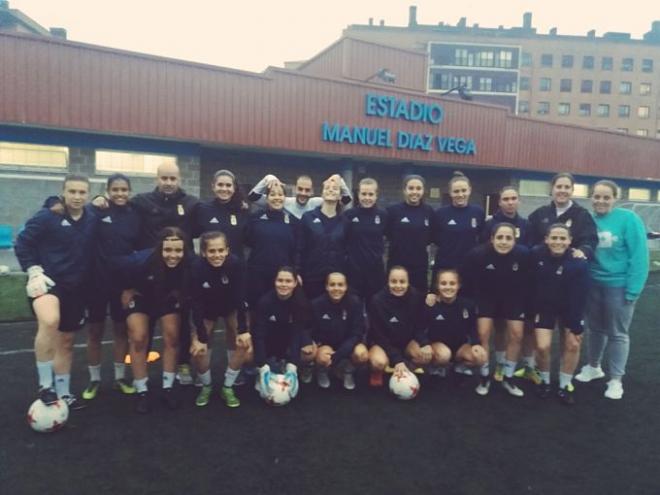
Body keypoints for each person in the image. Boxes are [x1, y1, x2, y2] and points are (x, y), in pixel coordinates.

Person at [93, 162, 200, 385]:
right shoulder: (142, 201)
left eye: (173, 178)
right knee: (144, 325)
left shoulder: (191, 203)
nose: (168, 183)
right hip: (146, 273)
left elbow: (212, 214)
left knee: (178, 325)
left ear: (179, 179)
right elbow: (118, 200)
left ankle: (183, 364)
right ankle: (142, 373)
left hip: (179, 274)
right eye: (164, 178)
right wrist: (96, 199)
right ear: (156, 179)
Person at [15, 174, 98, 410]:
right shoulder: (48, 215)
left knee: (67, 341)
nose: (77, 197)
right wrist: (33, 270)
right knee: (50, 320)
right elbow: (23, 242)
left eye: (82, 192)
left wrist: (102, 199)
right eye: (72, 192)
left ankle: (63, 393)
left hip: (76, 287)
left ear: (88, 194)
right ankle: (45, 386)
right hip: (47, 282)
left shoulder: (91, 217)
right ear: (63, 192)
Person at [575, 180, 649, 400]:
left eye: (606, 197)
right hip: (594, 283)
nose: (601, 201)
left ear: (615, 198)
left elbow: (639, 255)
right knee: (595, 329)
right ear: (591, 198)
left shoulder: (629, 219)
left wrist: (633, 289)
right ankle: (594, 366)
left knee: (617, 333)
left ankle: (616, 379)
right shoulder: (588, 220)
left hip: (618, 285)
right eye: (597, 196)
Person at [522, 172, 598, 383]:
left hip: (570, 281)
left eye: (567, 187)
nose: (562, 190)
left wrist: (582, 251)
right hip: (543, 282)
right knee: (540, 340)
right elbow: (529, 242)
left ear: (572, 190)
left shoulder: (582, 215)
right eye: (559, 186)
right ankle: (538, 374)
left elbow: (591, 240)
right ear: (552, 189)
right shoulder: (540, 214)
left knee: (571, 339)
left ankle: (565, 383)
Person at [119, 227, 191, 413]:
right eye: (168, 250)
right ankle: (141, 389)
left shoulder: (190, 263)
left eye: (178, 250)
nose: (172, 255)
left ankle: (168, 387)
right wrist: (126, 288)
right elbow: (117, 269)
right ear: (159, 249)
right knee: (138, 338)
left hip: (166, 298)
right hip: (142, 297)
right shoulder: (139, 262)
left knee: (172, 337)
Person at [82, 173, 140, 400]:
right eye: (115, 189)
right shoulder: (96, 210)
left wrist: (131, 285)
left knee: (120, 330)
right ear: (107, 191)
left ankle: (119, 378)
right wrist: (94, 199)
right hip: (96, 283)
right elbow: (75, 210)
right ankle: (94, 380)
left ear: (130, 191)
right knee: (95, 331)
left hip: (122, 284)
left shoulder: (135, 214)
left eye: (124, 189)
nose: (120, 193)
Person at [461, 223, 530, 397]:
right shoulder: (477, 255)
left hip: (513, 298)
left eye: (509, 238)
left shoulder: (524, 255)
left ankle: (508, 377)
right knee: (483, 334)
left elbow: (531, 280)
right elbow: (467, 281)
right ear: (492, 239)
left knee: (516, 334)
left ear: (515, 240)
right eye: (500, 237)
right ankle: (484, 377)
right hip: (486, 298)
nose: (504, 242)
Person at [189, 231, 251, 408]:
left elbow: (240, 296)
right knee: (197, 348)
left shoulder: (236, 264)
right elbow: (196, 303)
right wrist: (201, 337)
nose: (217, 255)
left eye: (220, 250)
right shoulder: (197, 268)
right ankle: (206, 385)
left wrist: (243, 330)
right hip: (207, 310)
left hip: (230, 306)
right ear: (203, 253)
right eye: (212, 251)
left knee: (244, 343)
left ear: (227, 250)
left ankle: (228, 386)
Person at [531, 224, 589, 405]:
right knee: (542, 346)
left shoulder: (578, 262)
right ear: (546, 239)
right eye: (554, 238)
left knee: (573, 344)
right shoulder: (535, 254)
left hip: (569, 308)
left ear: (570, 241)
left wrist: (576, 324)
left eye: (563, 238)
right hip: (544, 308)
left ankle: (565, 385)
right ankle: (545, 382)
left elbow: (580, 295)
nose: (558, 241)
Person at [480, 187, 533, 383]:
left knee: (511, 331)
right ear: (500, 202)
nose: (510, 202)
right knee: (490, 330)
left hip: (515, 289)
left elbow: (529, 254)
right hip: (490, 287)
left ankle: (503, 368)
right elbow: (483, 250)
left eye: (513, 198)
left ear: (518, 201)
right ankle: (487, 372)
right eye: (506, 199)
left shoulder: (526, 224)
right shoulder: (489, 224)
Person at [252, 267, 315, 399]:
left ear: (295, 283)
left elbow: (297, 333)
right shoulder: (265, 302)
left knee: (310, 352)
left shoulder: (301, 303)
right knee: (246, 352)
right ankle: (260, 372)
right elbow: (258, 334)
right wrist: (261, 364)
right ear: (274, 282)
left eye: (288, 281)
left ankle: (286, 366)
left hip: (287, 342)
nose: (284, 284)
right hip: (269, 341)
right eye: (280, 280)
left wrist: (293, 364)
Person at [367, 266, 432, 387]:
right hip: (383, 344)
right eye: (393, 281)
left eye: (402, 282)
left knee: (424, 355)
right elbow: (378, 335)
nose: (398, 285)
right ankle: (378, 372)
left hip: (407, 342)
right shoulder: (377, 301)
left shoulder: (416, 297)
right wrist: (397, 359)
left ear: (408, 282)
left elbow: (419, 326)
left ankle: (407, 370)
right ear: (388, 282)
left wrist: (424, 343)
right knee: (378, 362)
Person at [245, 181, 299, 312]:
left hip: (282, 278)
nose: (277, 198)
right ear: (267, 198)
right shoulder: (255, 218)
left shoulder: (293, 221)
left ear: (285, 198)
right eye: (273, 194)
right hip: (258, 275)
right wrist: (268, 179)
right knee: (256, 311)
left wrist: (296, 271)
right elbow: (247, 241)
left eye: (280, 194)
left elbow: (296, 250)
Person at [308, 272, 369, 390]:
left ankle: (348, 371)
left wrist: (338, 355)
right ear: (326, 286)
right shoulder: (316, 304)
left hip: (348, 343)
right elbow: (312, 330)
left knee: (362, 355)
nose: (336, 288)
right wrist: (319, 345)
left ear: (346, 287)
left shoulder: (355, 302)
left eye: (340, 285)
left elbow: (357, 333)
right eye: (332, 284)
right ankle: (323, 371)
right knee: (322, 357)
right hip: (326, 344)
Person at [425, 270, 487, 374]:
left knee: (481, 357)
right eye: (443, 283)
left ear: (459, 285)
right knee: (444, 355)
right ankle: (436, 367)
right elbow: (421, 328)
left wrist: (476, 344)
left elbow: (472, 327)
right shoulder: (431, 304)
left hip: (460, 348)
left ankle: (459, 367)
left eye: (452, 283)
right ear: (437, 286)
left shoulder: (467, 305)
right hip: (439, 348)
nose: (448, 287)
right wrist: (425, 344)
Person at [298, 177, 349, 299]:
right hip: (311, 277)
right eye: (327, 188)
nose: (331, 190)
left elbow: (347, 251)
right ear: (322, 193)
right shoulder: (308, 218)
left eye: (335, 189)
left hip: (335, 281)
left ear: (340, 196)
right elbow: (299, 248)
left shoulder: (345, 222)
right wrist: (297, 271)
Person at [385, 175, 435, 292]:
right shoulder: (392, 211)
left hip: (419, 268)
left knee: (418, 304)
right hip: (397, 267)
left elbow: (431, 237)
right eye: (411, 188)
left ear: (423, 191)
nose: (414, 192)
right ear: (404, 190)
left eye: (418, 188)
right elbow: (387, 234)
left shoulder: (429, 211)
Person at [344, 178, 388, 304]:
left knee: (374, 310)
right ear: (358, 195)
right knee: (354, 309)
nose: (367, 198)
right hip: (354, 273)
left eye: (370, 194)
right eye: (363, 194)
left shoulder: (383, 216)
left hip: (375, 273)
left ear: (376, 196)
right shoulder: (349, 215)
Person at [433, 171, 485, 274]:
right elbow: (435, 239)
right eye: (456, 191)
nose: (460, 194)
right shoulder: (440, 214)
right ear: (450, 192)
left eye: (464, 190)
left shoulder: (478, 212)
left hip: (470, 267)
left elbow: (481, 238)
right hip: (445, 268)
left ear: (470, 190)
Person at [249, 173, 352, 219]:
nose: (303, 193)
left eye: (307, 190)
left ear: (312, 191)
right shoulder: (283, 202)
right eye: (300, 189)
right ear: (295, 189)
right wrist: (268, 178)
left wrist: (339, 180)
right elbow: (253, 198)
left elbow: (346, 200)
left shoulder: (317, 203)